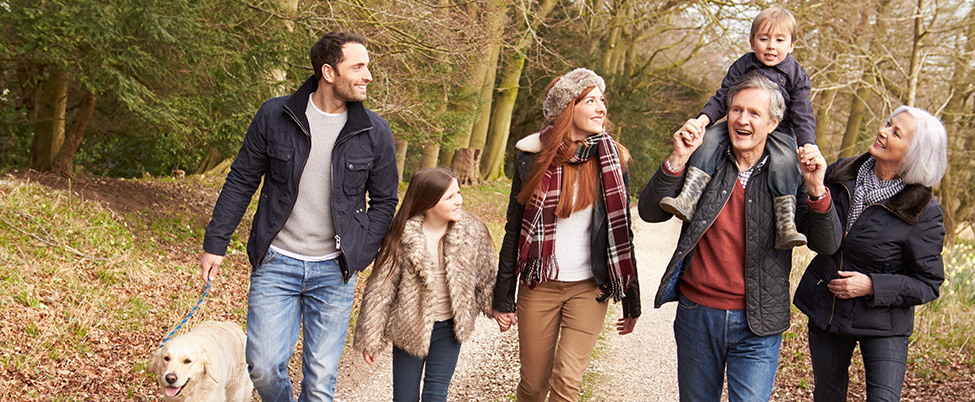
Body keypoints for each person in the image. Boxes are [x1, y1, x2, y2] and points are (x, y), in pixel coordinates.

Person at [199, 32, 399, 402]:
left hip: (335, 270)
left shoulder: (375, 132)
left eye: (367, 66)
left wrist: (361, 251)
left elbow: (385, 200)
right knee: (261, 364)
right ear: (328, 72)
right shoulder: (275, 116)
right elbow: (242, 179)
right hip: (276, 261)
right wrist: (216, 243)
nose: (368, 75)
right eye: (358, 66)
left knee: (321, 382)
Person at [638, 71, 842, 401]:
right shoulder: (706, 160)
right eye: (736, 109)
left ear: (774, 123)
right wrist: (677, 158)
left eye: (753, 113)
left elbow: (827, 243)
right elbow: (650, 211)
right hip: (697, 313)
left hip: (759, 323)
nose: (741, 119)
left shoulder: (791, 173)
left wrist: (818, 188)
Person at [493, 68, 640, 402]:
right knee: (532, 388)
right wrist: (503, 298)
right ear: (567, 108)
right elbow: (514, 228)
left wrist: (631, 301)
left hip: (589, 289)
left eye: (602, 100)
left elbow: (622, 234)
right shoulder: (531, 158)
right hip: (539, 287)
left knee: (567, 384)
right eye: (590, 100)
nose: (601, 107)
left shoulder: (613, 159)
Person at [793, 106, 947, 402]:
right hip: (830, 310)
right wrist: (814, 191)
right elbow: (809, 229)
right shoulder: (838, 174)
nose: (883, 130)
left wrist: (872, 285)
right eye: (888, 123)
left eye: (895, 132)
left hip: (884, 322)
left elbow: (928, 284)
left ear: (913, 153)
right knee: (827, 396)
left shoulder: (923, 210)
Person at [659, 6, 817, 250]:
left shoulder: (797, 74)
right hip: (736, 121)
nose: (771, 46)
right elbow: (723, 97)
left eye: (779, 40)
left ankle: (786, 223)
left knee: (787, 161)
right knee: (709, 139)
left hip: (780, 129)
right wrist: (704, 120)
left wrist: (807, 144)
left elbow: (803, 113)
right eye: (764, 39)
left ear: (792, 45)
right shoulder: (743, 65)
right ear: (752, 42)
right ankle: (689, 196)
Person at [353, 168, 497, 402]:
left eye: (458, 193)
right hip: (410, 326)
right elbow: (381, 288)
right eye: (449, 197)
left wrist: (499, 308)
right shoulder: (402, 235)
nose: (459, 201)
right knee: (404, 398)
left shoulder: (472, 232)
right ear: (428, 203)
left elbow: (486, 276)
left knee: (435, 395)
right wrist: (372, 337)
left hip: (449, 328)